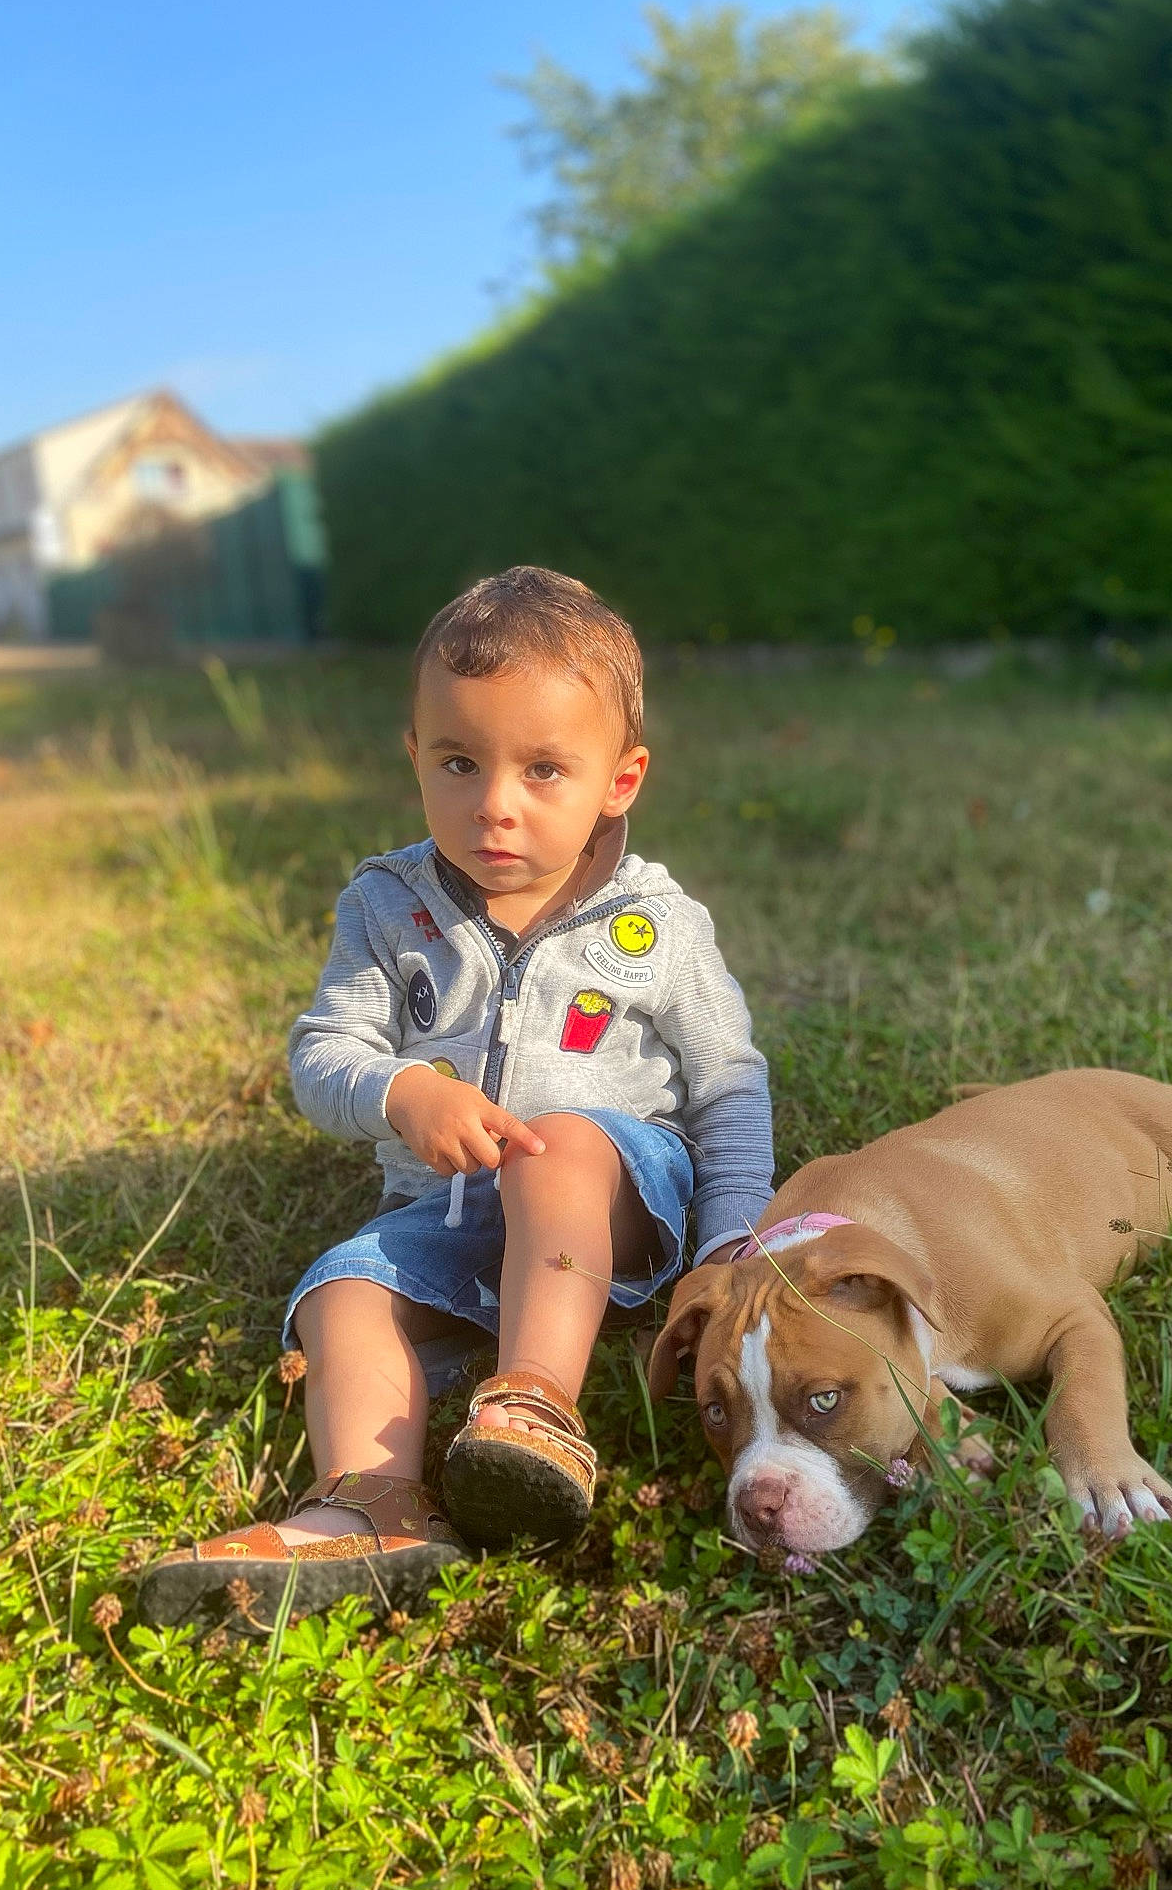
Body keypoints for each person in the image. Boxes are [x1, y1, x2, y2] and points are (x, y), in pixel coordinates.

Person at [140, 566, 774, 1628]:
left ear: (620, 780)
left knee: (557, 1149)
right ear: (415, 757)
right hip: (443, 1213)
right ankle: (374, 1502)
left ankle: (534, 1405)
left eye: (543, 770)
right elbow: (323, 1051)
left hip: (611, 1198)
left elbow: (730, 1081)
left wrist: (731, 1237)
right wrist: (399, 1090)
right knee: (342, 1295)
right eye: (459, 762)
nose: (493, 804)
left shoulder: (656, 922)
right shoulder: (388, 904)